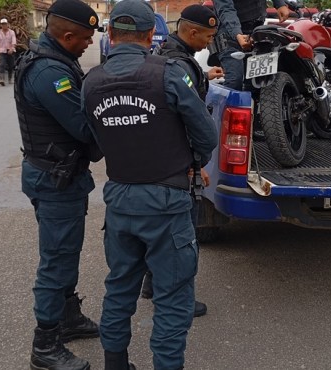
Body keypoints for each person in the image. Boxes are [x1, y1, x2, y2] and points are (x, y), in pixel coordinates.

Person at [81, 0, 218, 369]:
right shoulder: (168, 74)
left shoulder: (91, 81)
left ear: (110, 34)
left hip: (121, 201)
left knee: (120, 288)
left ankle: (115, 363)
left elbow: (92, 143)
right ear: (149, 35)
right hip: (168, 201)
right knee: (173, 298)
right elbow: (206, 135)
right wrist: (195, 162)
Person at [13, 0, 102, 369]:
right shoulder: (51, 73)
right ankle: (45, 345)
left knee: (65, 253)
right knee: (57, 260)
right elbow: (84, 128)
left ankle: (67, 319)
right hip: (56, 180)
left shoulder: (51, 59)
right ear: (67, 36)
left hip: (58, 175)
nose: (87, 45)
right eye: (84, 39)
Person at [144, 3, 224, 318]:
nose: (210, 42)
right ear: (191, 32)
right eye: (208, 36)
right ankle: (179, 301)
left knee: (161, 232)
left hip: (162, 160)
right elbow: (189, 122)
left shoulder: (166, 56)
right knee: (183, 239)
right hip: (181, 163)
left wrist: (204, 74)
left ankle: (151, 283)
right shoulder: (180, 65)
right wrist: (198, 163)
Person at [213, 0, 290, 90]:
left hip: (256, 28)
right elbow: (226, 9)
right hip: (228, 32)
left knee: (260, 82)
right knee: (234, 79)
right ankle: (225, 103)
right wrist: (237, 33)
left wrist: (280, 4)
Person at [0, 18, 16, 86]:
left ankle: (10, 78)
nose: (4, 25)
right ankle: (1, 79)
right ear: (1, 25)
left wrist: (12, 48)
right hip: (2, 51)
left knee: (11, 66)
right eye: (2, 24)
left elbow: (14, 42)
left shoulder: (12, 32)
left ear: (7, 24)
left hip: (10, 51)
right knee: (1, 64)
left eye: (5, 24)